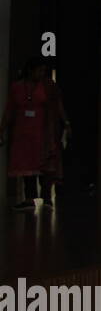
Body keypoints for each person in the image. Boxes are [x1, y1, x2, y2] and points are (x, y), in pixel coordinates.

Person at [1, 57, 69, 209]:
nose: (41, 73)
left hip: (43, 132)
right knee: (26, 166)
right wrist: (2, 130)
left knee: (46, 165)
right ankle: (29, 198)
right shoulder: (17, 87)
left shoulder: (48, 86)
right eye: (39, 70)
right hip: (23, 132)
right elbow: (9, 109)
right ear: (30, 70)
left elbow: (58, 105)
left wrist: (66, 123)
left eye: (43, 71)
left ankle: (46, 198)